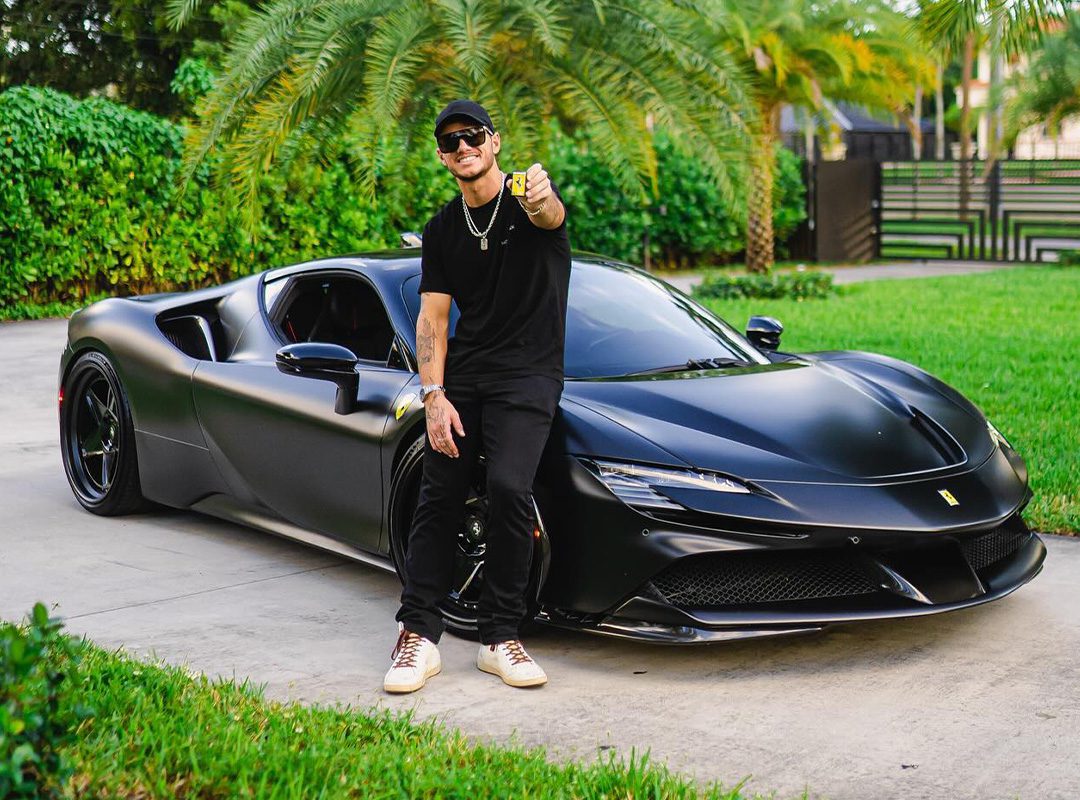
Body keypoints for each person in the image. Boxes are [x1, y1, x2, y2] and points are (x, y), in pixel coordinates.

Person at [383, 100, 571, 694]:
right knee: (438, 495)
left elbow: (551, 214)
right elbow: (433, 321)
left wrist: (542, 196)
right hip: (464, 376)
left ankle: (499, 637)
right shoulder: (442, 230)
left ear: (495, 141)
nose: (463, 147)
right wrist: (433, 396)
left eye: (473, 137)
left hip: (529, 377)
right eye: (450, 142)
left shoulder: (528, 201)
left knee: (511, 488)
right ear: (443, 157)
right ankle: (419, 635)